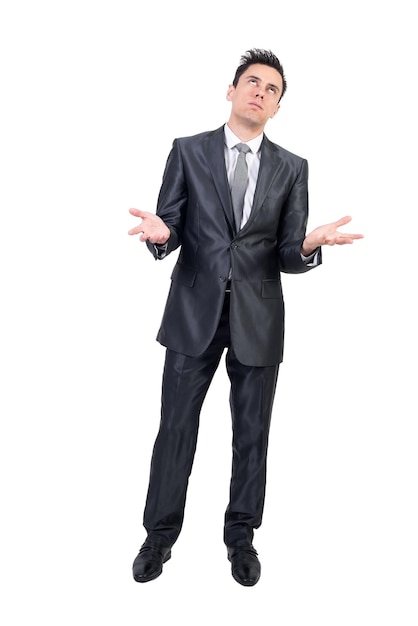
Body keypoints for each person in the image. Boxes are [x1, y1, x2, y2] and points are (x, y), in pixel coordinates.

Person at [128, 48, 363, 586]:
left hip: (259, 319)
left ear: (278, 108)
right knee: (175, 429)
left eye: (272, 89)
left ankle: (241, 539)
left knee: (252, 434)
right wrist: (162, 234)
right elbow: (170, 223)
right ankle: (158, 538)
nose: (260, 92)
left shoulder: (292, 168)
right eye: (252, 82)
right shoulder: (187, 151)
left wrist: (308, 244)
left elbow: (286, 254)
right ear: (231, 91)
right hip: (193, 313)